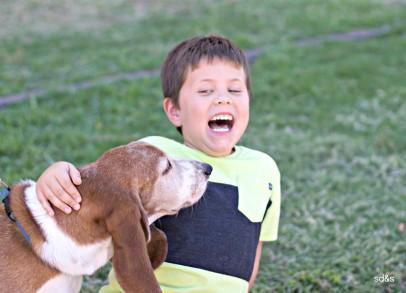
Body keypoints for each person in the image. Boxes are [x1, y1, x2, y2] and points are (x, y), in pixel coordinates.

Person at [36, 35, 281, 293]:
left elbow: (252, 252)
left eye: (234, 90)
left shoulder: (263, 169)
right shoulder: (154, 154)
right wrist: (57, 173)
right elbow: (95, 183)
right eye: (206, 91)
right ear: (175, 110)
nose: (223, 99)